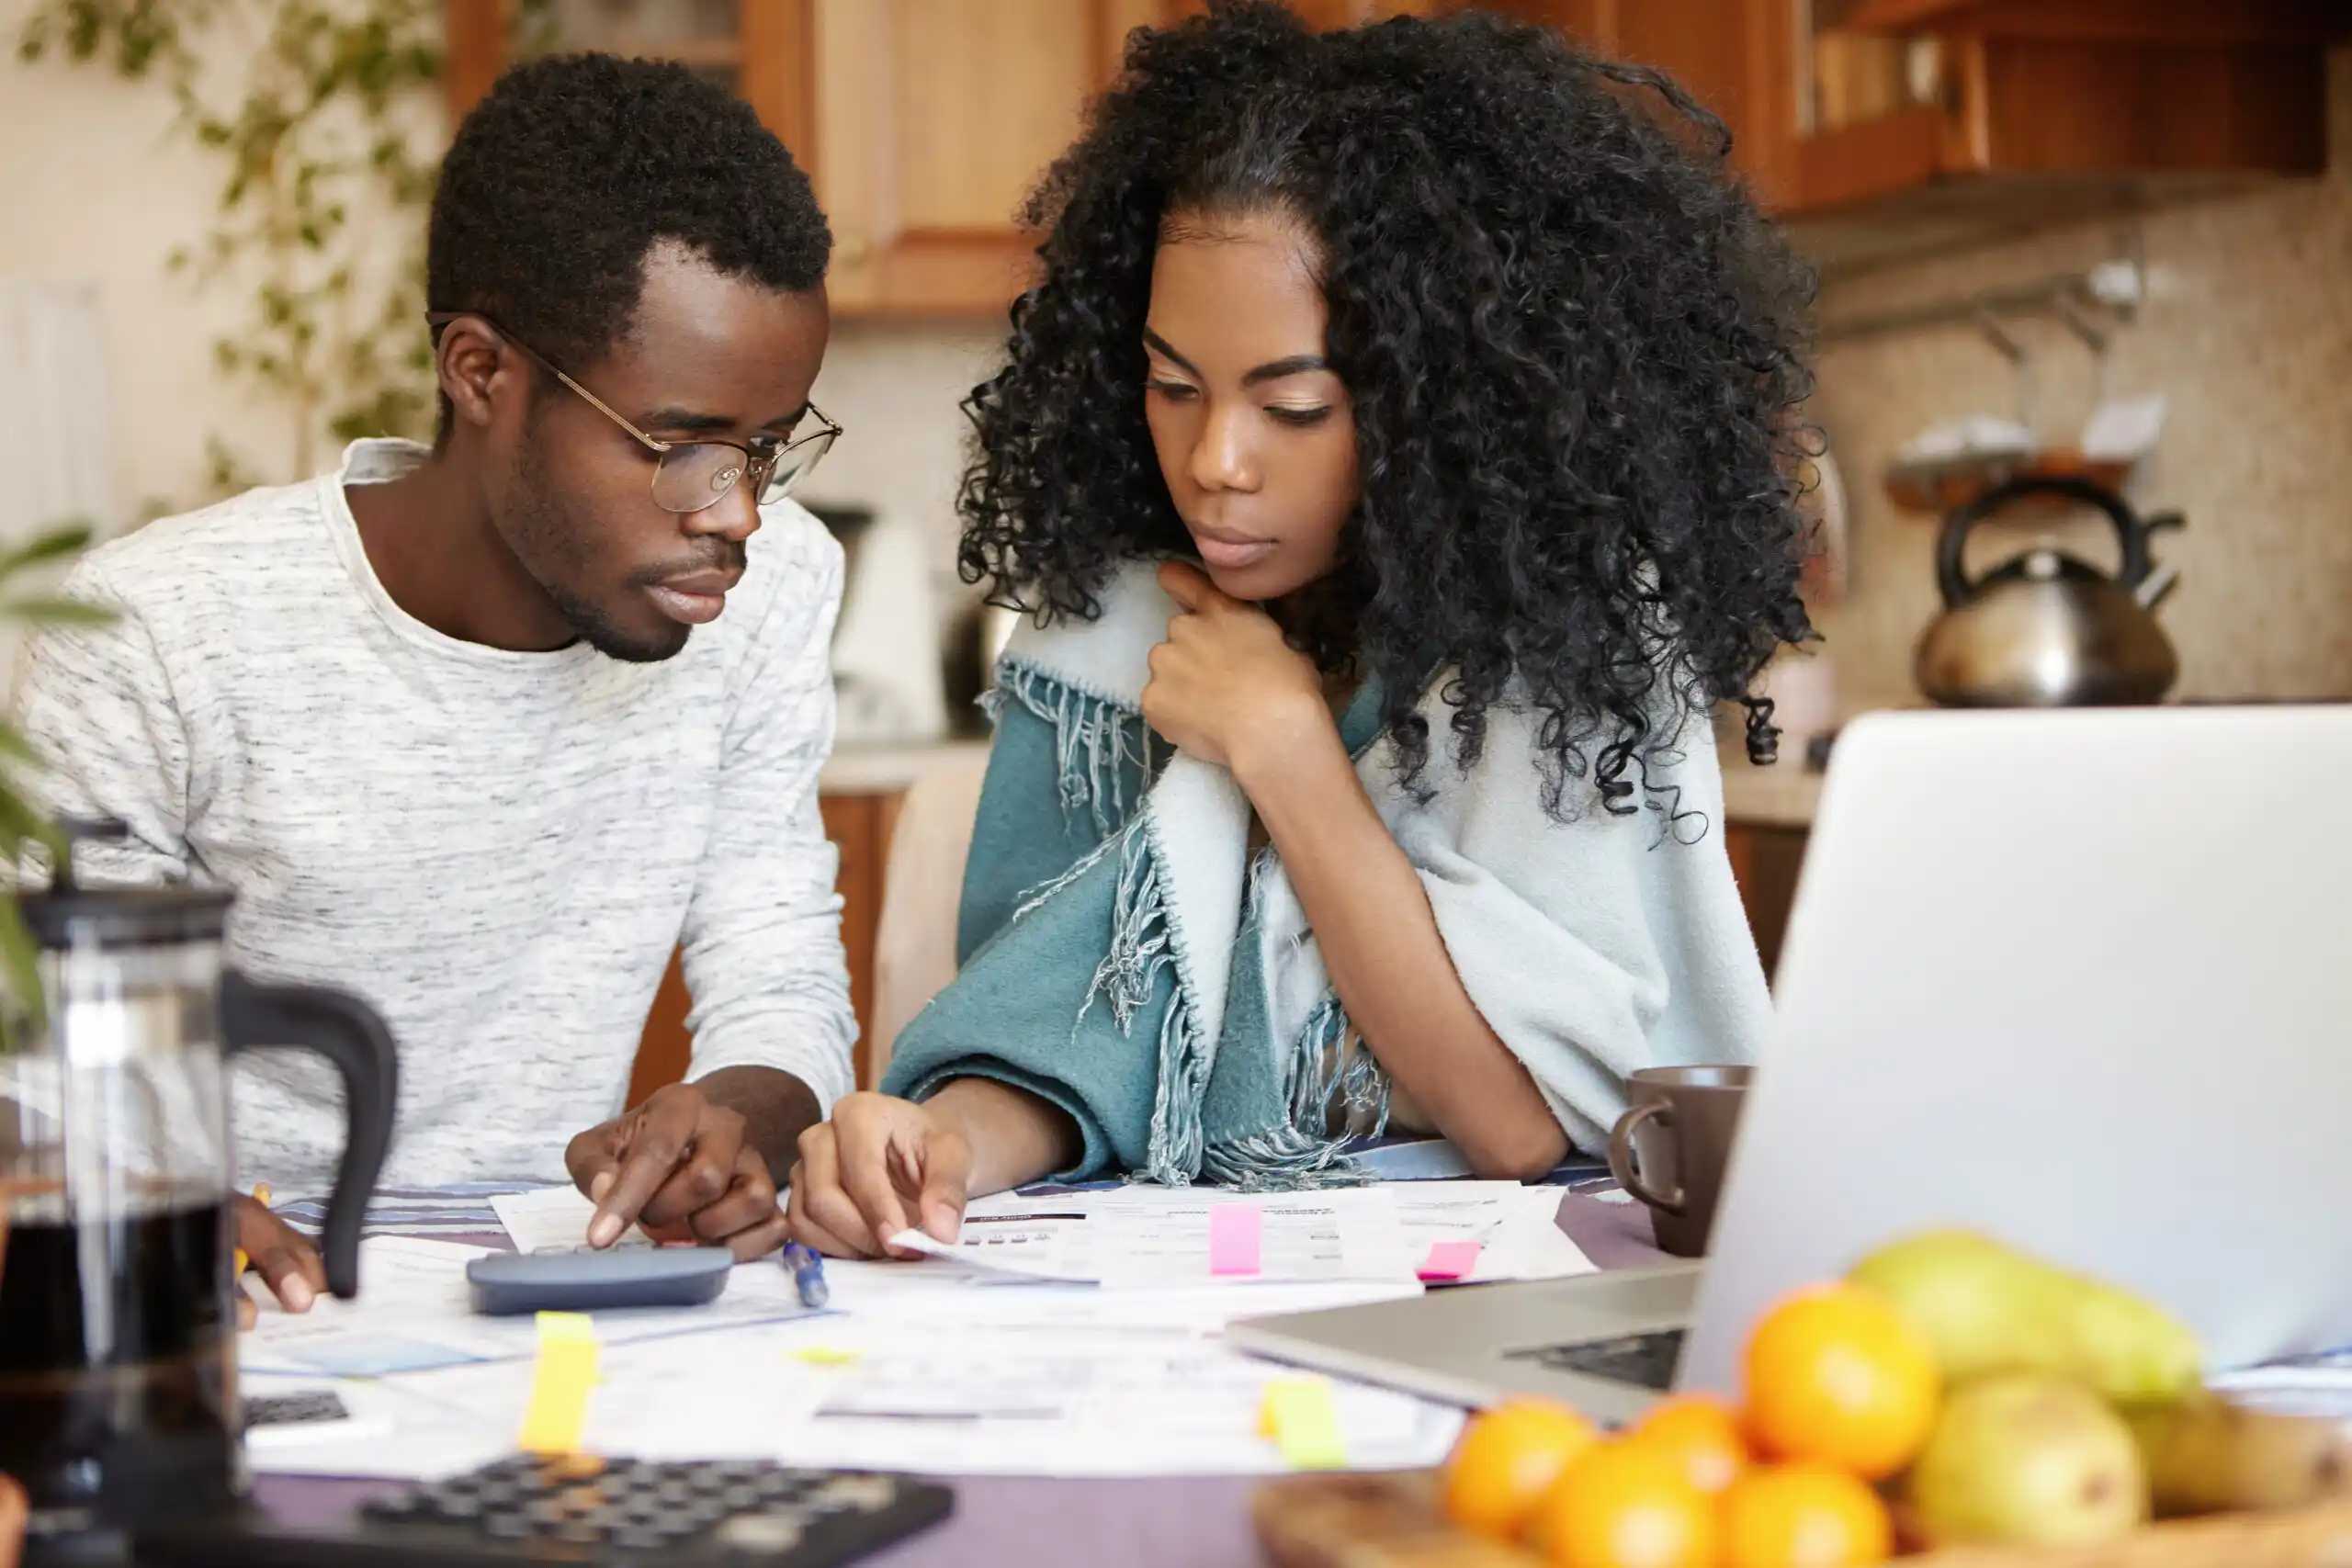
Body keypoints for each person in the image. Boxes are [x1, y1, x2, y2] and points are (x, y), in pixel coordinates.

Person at [785, 2, 1816, 1258]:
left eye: (1296, 405)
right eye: (1173, 387)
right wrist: (944, 1140)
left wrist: (1284, 748)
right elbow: (1069, 1034)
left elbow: (1505, 1121)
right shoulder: (1116, 629)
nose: (1215, 461)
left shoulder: (1564, 628)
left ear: (1437, 400)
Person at [13, 53, 854, 1295]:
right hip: (235, 1315)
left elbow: (780, 968)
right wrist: (151, 1215)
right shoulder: (150, 635)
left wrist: (730, 1117)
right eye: (678, 447)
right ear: (479, 372)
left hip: (565, 1302)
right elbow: (32, 1072)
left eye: (770, 445)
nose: (737, 512)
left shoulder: (772, 593)